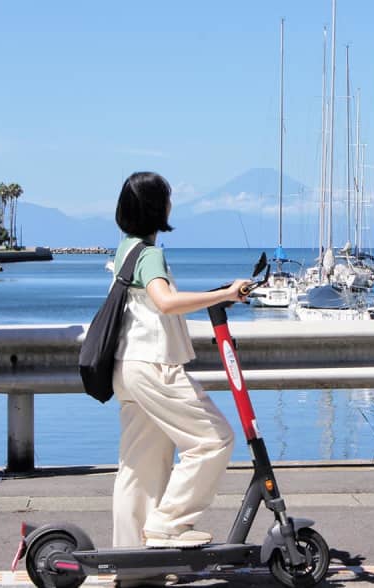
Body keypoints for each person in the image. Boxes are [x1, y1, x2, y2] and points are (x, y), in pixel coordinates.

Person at [110, 171, 246, 553]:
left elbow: (158, 298)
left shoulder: (127, 248)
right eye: (167, 198)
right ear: (158, 208)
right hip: (155, 367)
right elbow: (165, 300)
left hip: (129, 366)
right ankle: (168, 525)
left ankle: (132, 560)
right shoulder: (150, 254)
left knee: (140, 467)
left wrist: (220, 293)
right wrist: (223, 295)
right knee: (214, 439)